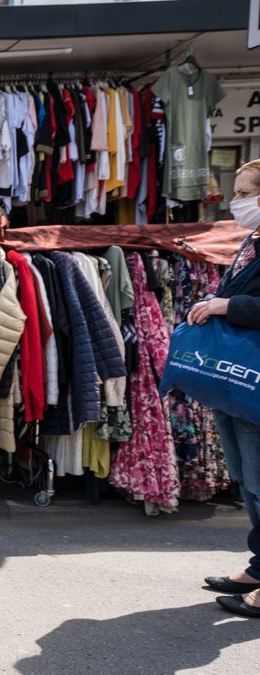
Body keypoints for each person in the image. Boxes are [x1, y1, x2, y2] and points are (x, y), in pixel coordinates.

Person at [189, 159, 260, 619]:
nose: (235, 200)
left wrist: (225, 304)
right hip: (238, 379)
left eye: (244, 192)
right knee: (247, 479)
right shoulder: (252, 244)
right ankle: (259, 566)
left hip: (255, 381)